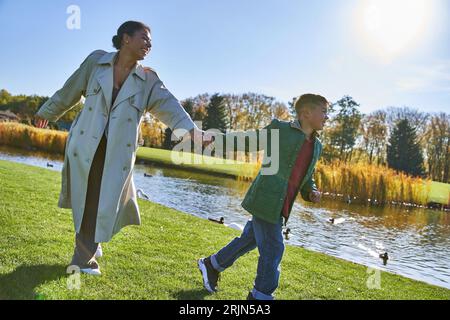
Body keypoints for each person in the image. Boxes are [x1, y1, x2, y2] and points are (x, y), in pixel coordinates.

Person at [34, 21, 211, 275]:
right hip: (86, 145)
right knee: (90, 197)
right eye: (144, 38)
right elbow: (70, 90)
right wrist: (47, 112)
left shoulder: (148, 79)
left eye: (150, 41)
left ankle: (89, 247)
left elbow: (170, 107)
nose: (149, 44)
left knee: (102, 200)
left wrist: (193, 131)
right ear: (125, 38)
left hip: (117, 152)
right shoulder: (96, 62)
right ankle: (83, 258)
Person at [198, 94, 329, 300]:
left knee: (249, 240)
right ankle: (260, 297)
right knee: (274, 248)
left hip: (281, 207)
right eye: (323, 111)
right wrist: (214, 138)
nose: (326, 117)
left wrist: (311, 191)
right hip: (265, 200)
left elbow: (306, 175)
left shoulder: (317, 146)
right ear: (306, 113)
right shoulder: (281, 130)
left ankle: (212, 264)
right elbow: (249, 140)